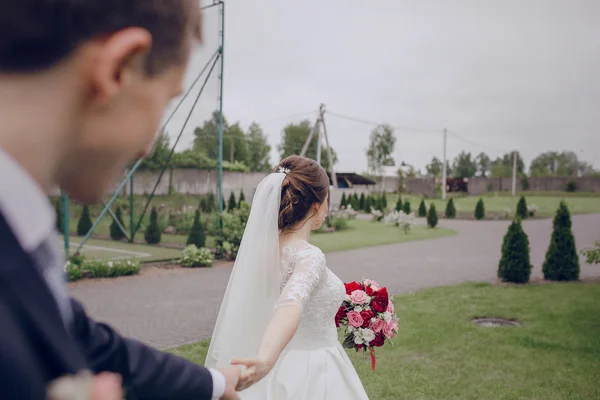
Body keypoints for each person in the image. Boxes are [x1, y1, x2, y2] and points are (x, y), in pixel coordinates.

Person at [0, 1, 241, 399]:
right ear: (118, 69)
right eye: (164, 101)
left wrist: (214, 384)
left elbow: (78, 335)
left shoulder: (20, 227)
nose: (149, 145)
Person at [206, 155, 369, 399]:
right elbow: (290, 305)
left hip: (281, 366)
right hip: (314, 370)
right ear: (316, 206)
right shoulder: (310, 257)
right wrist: (265, 358)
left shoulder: (261, 252)